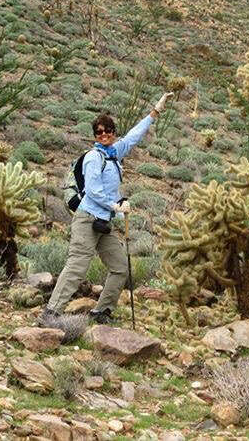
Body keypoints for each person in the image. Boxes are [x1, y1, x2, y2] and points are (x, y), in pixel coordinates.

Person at [39, 92, 174, 325]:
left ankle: (102, 310)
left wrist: (156, 111)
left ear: (113, 132)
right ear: (95, 135)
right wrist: (117, 206)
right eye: (99, 132)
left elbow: (134, 136)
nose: (104, 135)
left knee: (120, 267)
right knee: (78, 266)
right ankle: (51, 312)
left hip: (103, 222)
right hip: (87, 218)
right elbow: (93, 191)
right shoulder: (94, 157)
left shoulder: (115, 153)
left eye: (108, 130)